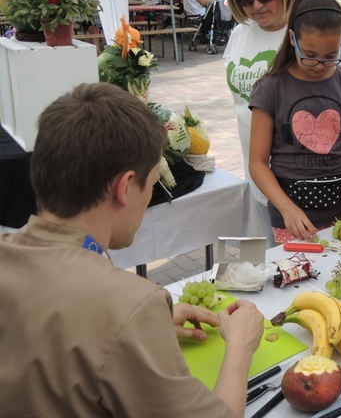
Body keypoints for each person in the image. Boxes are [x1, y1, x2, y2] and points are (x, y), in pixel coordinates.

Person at [0, 83, 264, 417]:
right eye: (152, 185)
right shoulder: (129, 303)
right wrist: (241, 346)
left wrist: (132, 335)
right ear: (125, 187)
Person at [223, 0, 341, 246]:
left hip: (320, 188)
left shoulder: (312, 29)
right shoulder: (239, 35)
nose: (256, 6)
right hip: (267, 180)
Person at [248, 0, 341, 244]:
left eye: (331, 56)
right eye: (309, 55)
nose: (320, 64)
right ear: (291, 39)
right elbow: (257, 162)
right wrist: (287, 209)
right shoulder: (270, 88)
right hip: (293, 220)